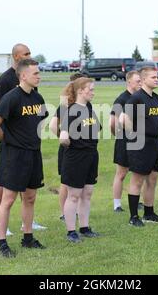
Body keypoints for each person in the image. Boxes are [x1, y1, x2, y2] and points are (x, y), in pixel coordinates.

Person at [0, 59, 48, 258]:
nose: (39, 76)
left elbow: (40, 121)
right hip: (14, 155)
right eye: (35, 73)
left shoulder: (38, 98)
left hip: (33, 154)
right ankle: (2, 242)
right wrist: (10, 139)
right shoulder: (11, 97)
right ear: (23, 76)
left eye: (39, 73)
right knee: (9, 199)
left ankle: (28, 237)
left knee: (30, 197)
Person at [121, 67, 158, 227]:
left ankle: (149, 212)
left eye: (157, 77)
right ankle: (134, 217)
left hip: (155, 142)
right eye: (153, 77)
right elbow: (124, 118)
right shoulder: (137, 98)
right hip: (140, 142)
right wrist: (134, 133)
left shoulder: (157, 98)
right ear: (144, 79)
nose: (156, 79)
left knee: (152, 178)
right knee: (137, 179)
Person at [59, 77, 101, 243]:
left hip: (91, 154)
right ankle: (71, 231)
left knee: (87, 193)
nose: (93, 92)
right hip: (76, 157)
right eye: (90, 89)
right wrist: (73, 145)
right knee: (74, 195)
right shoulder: (72, 110)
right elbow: (63, 137)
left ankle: (84, 227)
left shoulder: (89, 108)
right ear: (80, 91)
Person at [49, 73, 86, 221]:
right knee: (66, 182)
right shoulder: (66, 104)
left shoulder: (83, 103)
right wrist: (63, 137)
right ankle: (65, 213)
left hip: (83, 148)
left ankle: (73, 211)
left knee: (77, 182)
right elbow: (52, 126)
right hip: (69, 148)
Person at [109, 71, 142, 212]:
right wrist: (118, 136)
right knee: (121, 173)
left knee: (138, 173)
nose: (140, 84)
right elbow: (112, 123)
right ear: (129, 82)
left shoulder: (140, 97)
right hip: (124, 141)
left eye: (141, 81)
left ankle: (136, 200)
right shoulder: (121, 99)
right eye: (137, 81)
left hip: (139, 140)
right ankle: (117, 204)